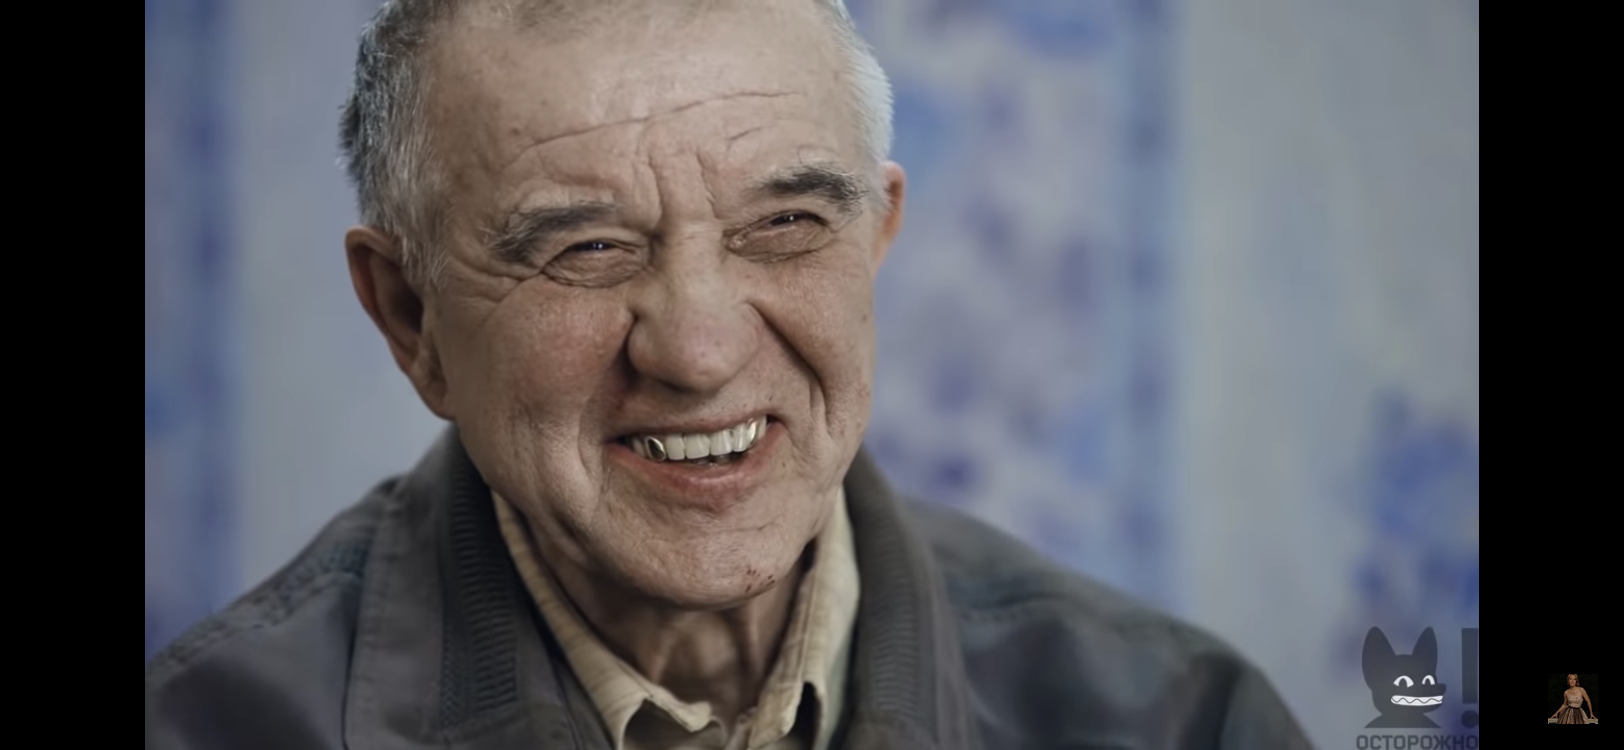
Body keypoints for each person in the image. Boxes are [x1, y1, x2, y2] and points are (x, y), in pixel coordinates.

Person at [144, 1, 1317, 748]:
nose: (699, 352)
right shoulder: (210, 729)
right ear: (411, 317)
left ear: (874, 239)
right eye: (587, 249)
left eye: (786, 225)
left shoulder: (1179, 722)